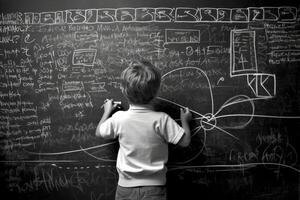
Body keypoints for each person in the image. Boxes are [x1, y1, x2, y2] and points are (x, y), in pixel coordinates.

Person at [95, 60, 192, 200]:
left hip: (125, 188)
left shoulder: (120, 118)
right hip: (155, 189)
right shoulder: (161, 119)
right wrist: (185, 121)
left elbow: (99, 132)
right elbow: (185, 141)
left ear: (124, 90)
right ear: (156, 92)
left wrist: (107, 111)